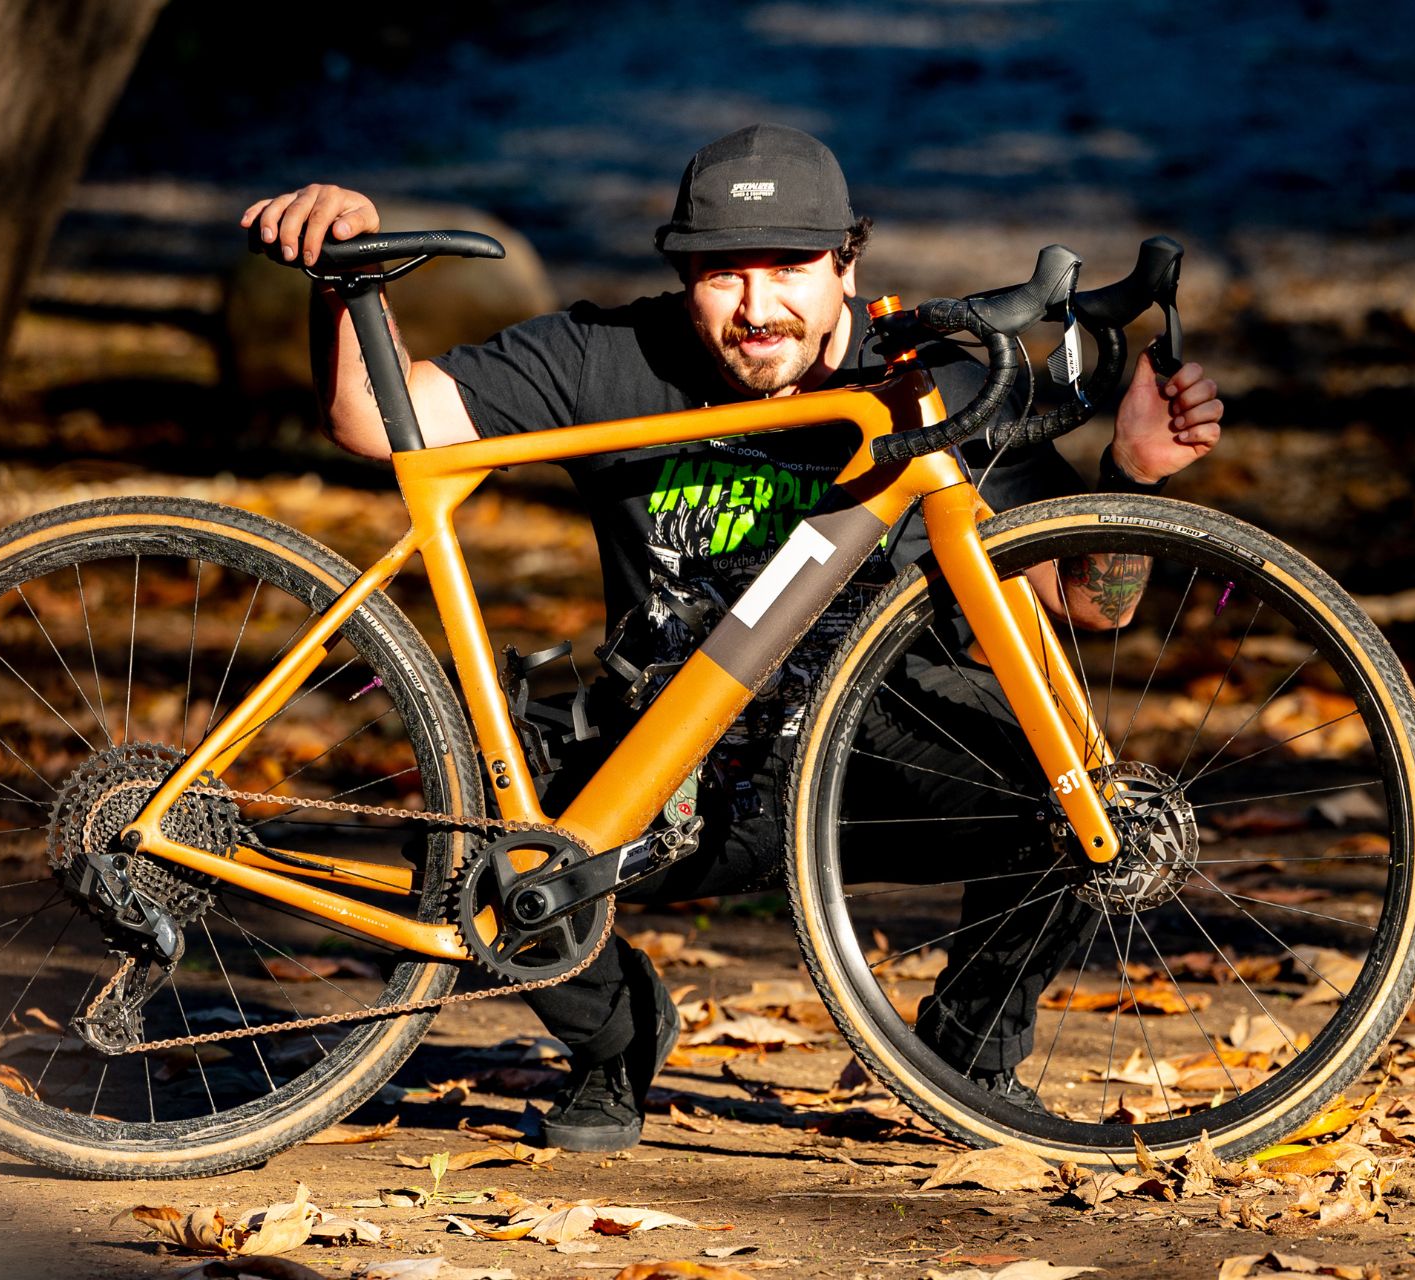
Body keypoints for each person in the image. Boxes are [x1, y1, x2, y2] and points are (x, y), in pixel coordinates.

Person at [242, 124, 1225, 1151]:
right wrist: (341, 270)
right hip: (664, 759)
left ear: (849, 262)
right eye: (722, 274)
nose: (759, 308)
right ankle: (618, 1037)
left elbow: (1088, 599)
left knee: (1082, 799)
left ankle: (967, 1055)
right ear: (682, 275)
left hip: (868, 758)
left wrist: (1133, 474)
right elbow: (373, 418)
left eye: (792, 266)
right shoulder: (609, 353)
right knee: (475, 826)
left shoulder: (934, 383)